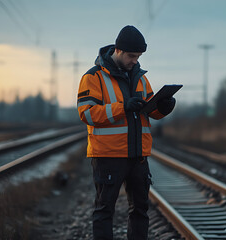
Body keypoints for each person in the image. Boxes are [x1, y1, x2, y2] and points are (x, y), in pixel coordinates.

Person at [77, 25, 176, 240]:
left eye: (138, 56)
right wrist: (123, 107)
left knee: (140, 210)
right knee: (104, 211)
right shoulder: (93, 77)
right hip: (108, 156)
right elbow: (87, 113)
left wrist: (164, 107)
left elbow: (150, 111)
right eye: (132, 56)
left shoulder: (140, 77)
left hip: (138, 156)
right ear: (118, 50)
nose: (135, 60)